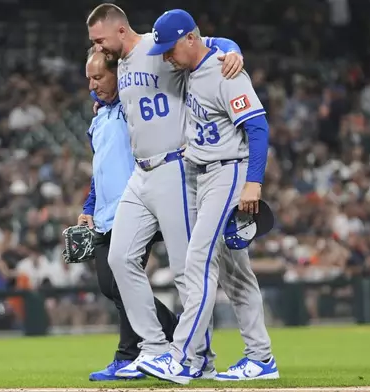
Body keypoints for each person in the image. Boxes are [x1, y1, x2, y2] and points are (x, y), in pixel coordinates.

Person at [86, 3, 245, 379]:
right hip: (140, 175)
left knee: (184, 271)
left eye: (99, 39)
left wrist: (234, 49)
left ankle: (198, 358)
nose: (96, 46)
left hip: (174, 167)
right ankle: (154, 348)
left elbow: (207, 41)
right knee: (120, 258)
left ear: (120, 30)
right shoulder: (120, 64)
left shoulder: (155, 48)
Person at [137, 10, 278, 384]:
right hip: (204, 172)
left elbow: (258, 127)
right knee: (236, 274)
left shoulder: (223, 71)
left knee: (198, 261)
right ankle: (261, 358)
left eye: (171, 48)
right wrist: (229, 45)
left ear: (189, 39)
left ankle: (180, 358)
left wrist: (254, 183)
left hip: (229, 171)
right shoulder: (199, 65)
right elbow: (214, 42)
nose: (167, 55)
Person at [79, 48, 178, 381]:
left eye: (98, 77)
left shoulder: (132, 108)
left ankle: (128, 355)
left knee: (122, 281)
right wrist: (88, 207)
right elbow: (100, 170)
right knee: (110, 285)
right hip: (106, 213)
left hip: (136, 206)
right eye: (89, 79)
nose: (93, 85)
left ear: (117, 75)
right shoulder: (99, 118)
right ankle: (172, 328)